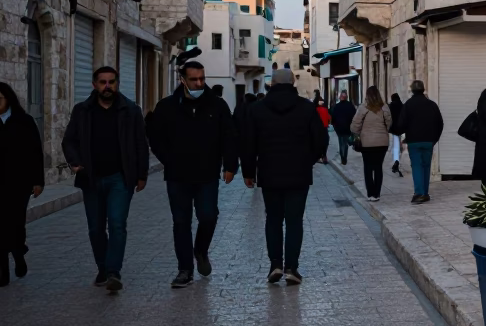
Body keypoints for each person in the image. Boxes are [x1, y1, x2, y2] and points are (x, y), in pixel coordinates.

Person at [146, 60, 239, 288]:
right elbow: (156, 138)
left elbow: (229, 136)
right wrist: (169, 159)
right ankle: (184, 269)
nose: (199, 83)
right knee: (181, 222)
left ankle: (201, 250)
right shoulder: (166, 107)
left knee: (208, 216)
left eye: (202, 79)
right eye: (194, 79)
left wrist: (230, 165)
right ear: (183, 80)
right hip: (177, 175)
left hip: (207, 174)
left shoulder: (217, 106)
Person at [62, 67, 149, 292]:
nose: (107, 86)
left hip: (120, 178)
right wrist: (75, 162)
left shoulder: (131, 111)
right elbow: (69, 141)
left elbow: (141, 144)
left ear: (117, 84)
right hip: (91, 178)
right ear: (95, 85)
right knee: (95, 228)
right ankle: (103, 267)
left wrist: (141, 174)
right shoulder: (82, 111)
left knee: (118, 224)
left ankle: (113, 272)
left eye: (111, 82)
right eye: (103, 82)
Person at [241, 67, 328, 285]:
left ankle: (275, 264)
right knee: (294, 220)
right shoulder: (306, 109)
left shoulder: (257, 109)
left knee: (273, 219)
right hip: (298, 172)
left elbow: (248, 143)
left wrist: (249, 172)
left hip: (269, 172)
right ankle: (291, 267)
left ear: (271, 85)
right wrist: (308, 160)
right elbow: (321, 139)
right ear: (292, 84)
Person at [0, 82, 44, 286]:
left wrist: (38, 180)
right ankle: (2, 271)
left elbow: (35, 152)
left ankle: (18, 252)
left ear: (8, 99)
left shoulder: (24, 122)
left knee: (15, 222)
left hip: (18, 183)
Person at [393, 80, 442, 204]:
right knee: (426, 166)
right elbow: (440, 123)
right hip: (428, 141)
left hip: (414, 141)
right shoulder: (432, 105)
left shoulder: (408, 105)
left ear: (412, 90)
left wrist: (400, 132)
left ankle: (419, 193)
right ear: (423, 89)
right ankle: (425, 193)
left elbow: (401, 124)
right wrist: (434, 139)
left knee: (417, 166)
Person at [351, 87, 392, 202]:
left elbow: (355, 124)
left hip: (367, 142)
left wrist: (357, 133)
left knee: (368, 168)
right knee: (378, 167)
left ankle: (371, 194)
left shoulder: (363, 108)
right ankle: (377, 193)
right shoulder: (384, 107)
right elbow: (389, 123)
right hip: (382, 142)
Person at [330, 91, 357, 166]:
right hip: (348, 127)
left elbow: (333, 117)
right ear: (346, 97)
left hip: (339, 128)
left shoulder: (337, 106)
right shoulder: (350, 106)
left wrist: (334, 125)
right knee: (345, 143)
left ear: (340, 97)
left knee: (341, 142)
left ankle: (343, 158)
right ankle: (344, 157)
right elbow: (354, 116)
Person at [388, 92, 405, 177]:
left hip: (393, 129)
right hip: (400, 129)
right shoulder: (402, 106)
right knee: (398, 147)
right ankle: (396, 162)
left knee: (395, 147)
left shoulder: (390, 106)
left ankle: (396, 162)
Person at [315, 98, 331, 164]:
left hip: (318, 129)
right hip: (324, 128)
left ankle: (319, 157)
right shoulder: (325, 110)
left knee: (318, 142)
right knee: (325, 142)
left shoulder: (316, 110)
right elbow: (329, 118)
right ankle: (324, 156)